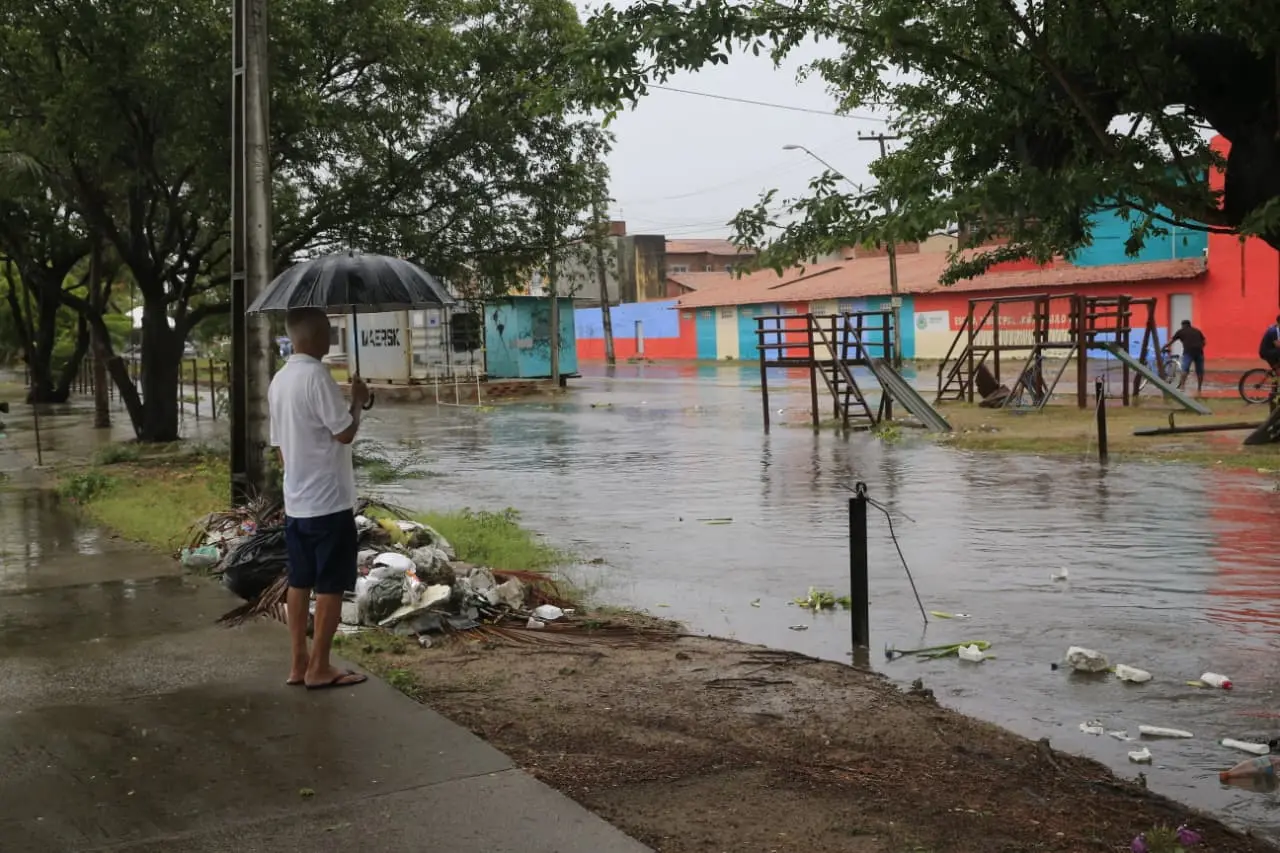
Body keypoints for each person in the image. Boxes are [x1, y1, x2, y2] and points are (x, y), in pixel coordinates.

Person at [269, 307, 370, 690]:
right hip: (329, 501)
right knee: (329, 584)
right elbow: (344, 433)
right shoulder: (318, 377)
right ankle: (320, 667)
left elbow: (280, 447)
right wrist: (358, 400)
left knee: (300, 581)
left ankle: (298, 663)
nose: (330, 338)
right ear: (314, 337)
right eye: (328, 331)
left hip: (296, 501)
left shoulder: (279, 381)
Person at [1167, 319, 1206, 394]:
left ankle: (1182, 386)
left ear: (1183, 325)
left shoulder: (1181, 331)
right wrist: (1200, 347)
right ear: (1189, 324)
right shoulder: (1197, 331)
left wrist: (1165, 346)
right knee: (1200, 371)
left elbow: (1171, 341)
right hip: (1199, 352)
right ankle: (1199, 388)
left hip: (1188, 352)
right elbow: (1204, 341)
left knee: (1185, 369)